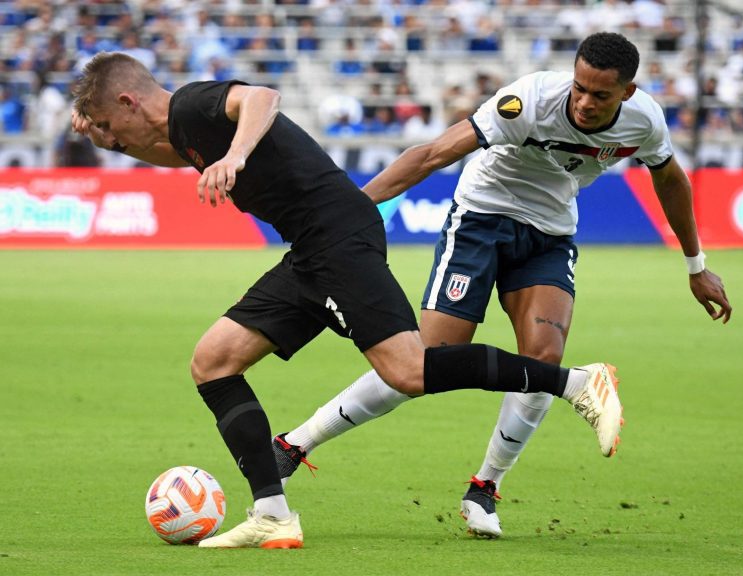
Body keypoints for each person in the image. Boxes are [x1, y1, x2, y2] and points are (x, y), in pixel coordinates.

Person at [70, 52, 624, 550]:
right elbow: (161, 150)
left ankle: (577, 383)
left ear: (127, 99)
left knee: (409, 370)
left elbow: (262, 98)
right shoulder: (185, 132)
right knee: (213, 362)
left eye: (105, 122)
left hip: (337, 236)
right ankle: (272, 513)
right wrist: (109, 139)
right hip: (312, 249)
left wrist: (236, 155)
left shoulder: (193, 103)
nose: (107, 133)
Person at [273, 32, 732, 539]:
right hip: (482, 218)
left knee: (542, 360)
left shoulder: (645, 120)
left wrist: (695, 265)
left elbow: (670, 179)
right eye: (579, 87)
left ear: (626, 93)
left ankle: (484, 490)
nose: (583, 102)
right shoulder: (530, 99)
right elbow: (432, 154)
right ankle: (296, 444)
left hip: (550, 233)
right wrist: (348, 211)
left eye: (600, 95)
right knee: (424, 359)